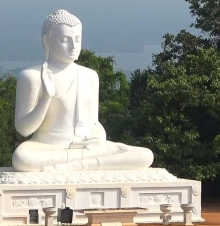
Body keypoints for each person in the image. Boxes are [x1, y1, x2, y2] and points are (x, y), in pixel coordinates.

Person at [11, 9, 154, 172]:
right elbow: (23, 129)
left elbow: (93, 122)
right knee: (22, 159)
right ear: (47, 41)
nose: (73, 46)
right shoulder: (32, 77)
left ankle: (78, 165)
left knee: (145, 155)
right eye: (65, 40)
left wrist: (99, 137)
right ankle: (87, 163)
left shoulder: (90, 76)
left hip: (86, 148)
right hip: (47, 148)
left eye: (77, 39)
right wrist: (46, 98)